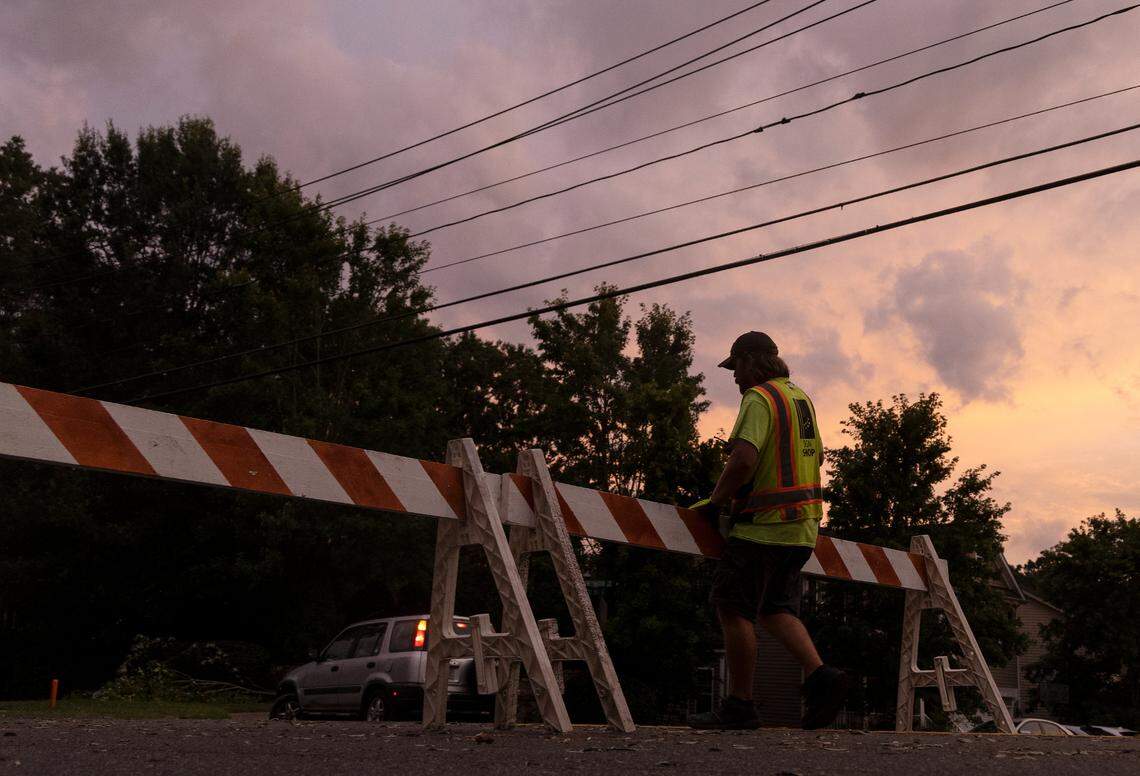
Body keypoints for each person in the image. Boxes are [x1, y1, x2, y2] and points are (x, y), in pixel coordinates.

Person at [687, 331, 847, 730]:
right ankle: (821, 676)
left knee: (732, 607)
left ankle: (740, 705)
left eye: (735, 367)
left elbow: (743, 460)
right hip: (802, 530)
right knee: (774, 609)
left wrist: (717, 502)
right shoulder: (800, 399)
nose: (734, 377)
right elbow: (818, 455)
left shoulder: (759, 399)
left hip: (764, 529)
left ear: (750, 361)